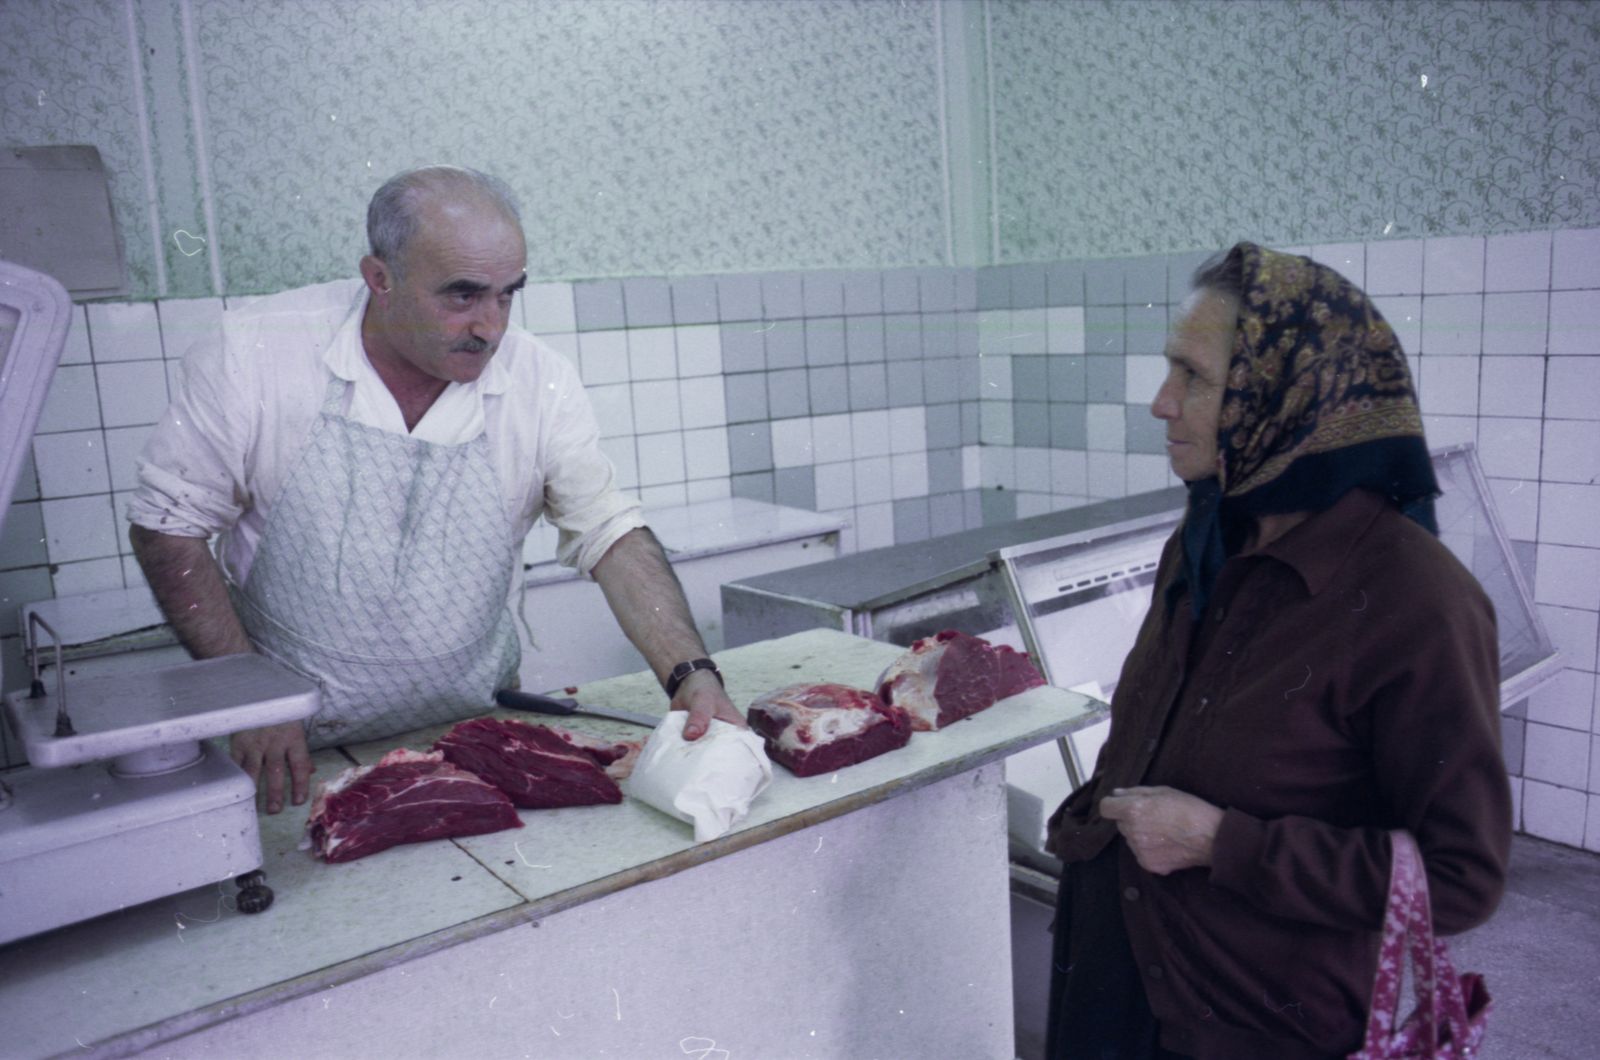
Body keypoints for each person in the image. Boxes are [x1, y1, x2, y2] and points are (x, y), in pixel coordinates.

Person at [128, 165, 743, 815]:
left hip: (472, 732)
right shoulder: (257, 353)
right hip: (290, 744)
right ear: (380, 278)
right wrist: (252, 702)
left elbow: (609, 534)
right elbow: (167, 527)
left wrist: (690, 673)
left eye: (508, 295)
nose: (491, 326)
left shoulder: (538, 380)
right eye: (462, 295)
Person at [1043, 242, 1511, 1059]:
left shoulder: (1417, 602)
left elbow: (1460, 878)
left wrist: (1223, 843)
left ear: (1291, 400)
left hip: (1249, 1024)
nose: (1161, 403)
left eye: (1195, 377)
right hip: (1113, 982)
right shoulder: (1207, 537)